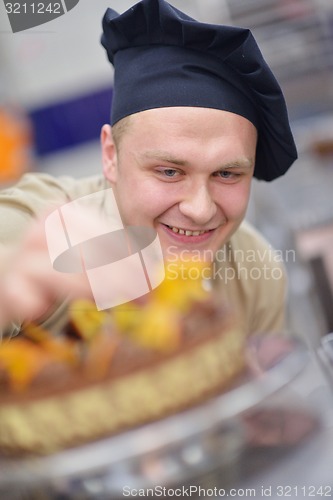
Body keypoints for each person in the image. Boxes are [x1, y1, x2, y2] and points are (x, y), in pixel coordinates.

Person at [0, 0, 297, 340]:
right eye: (169, 171)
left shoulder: (253, 274)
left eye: (226, 174)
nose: (200, 210)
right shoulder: (39, 233)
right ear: (111, 155)